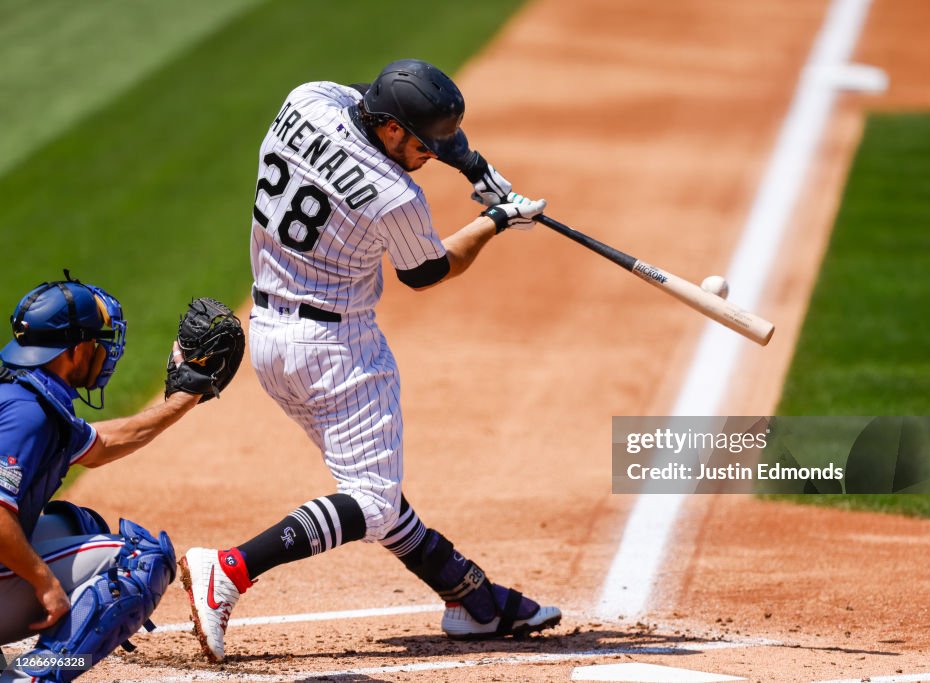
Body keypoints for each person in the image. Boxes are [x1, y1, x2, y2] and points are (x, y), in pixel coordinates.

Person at [179, 59, 559, 662]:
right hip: (337, 352)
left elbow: (366, 97)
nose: (431, 155)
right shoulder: (395, 198)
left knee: (371, 490)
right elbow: (430, 271)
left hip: (272, 339)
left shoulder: (306, 99)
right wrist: (497, 218)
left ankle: (472, 599)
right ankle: (228, 569)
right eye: (424, 144)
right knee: (373, 500)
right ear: (388, 130)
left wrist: (472, 165)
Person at [0, 274, 203, 682]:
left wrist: (186, 397)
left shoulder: (24, 394)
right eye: (97, 341)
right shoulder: (29, 415)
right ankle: (29, 678)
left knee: (80, 524)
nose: (104, 350)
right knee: (139, 562)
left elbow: (107, 442)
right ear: (75, 350)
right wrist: (45, 584)